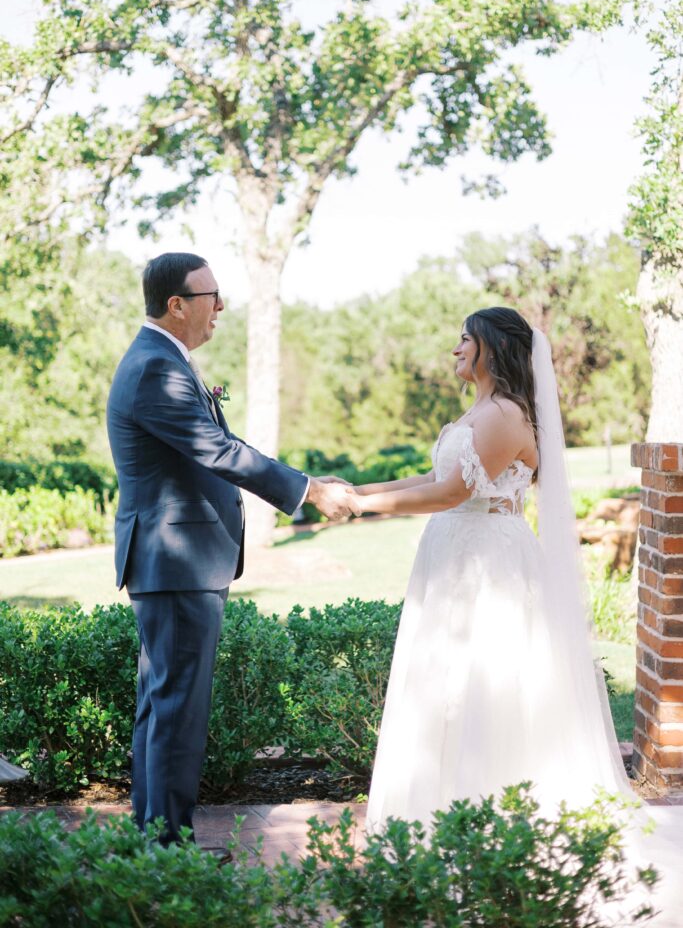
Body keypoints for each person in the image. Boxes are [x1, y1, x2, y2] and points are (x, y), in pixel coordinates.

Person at [353, 306, 683, 925]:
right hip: (453, 557)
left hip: (486, 567)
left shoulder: (506, 415)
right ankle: (439, 826)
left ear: (491, 350)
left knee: (482, 688)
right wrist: (356, 490)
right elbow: (437, 476)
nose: (454, 349)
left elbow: (454, 493)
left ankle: (486, 833)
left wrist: (365, 510)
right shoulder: (480, 412)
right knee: (443, 689)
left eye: (463, 339)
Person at [106, 252, 358, 846]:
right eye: (211, 296)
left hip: (173, 562)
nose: (220, 307)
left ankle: (154, 843)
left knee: (163, 707)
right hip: (177, 562)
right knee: (176, 713)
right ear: (177, 305)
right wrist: (310, 491)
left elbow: (220, 441)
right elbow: (219, 453)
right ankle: (167, 851)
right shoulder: (156, 369)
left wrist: (306, 480)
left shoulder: (165, 361)